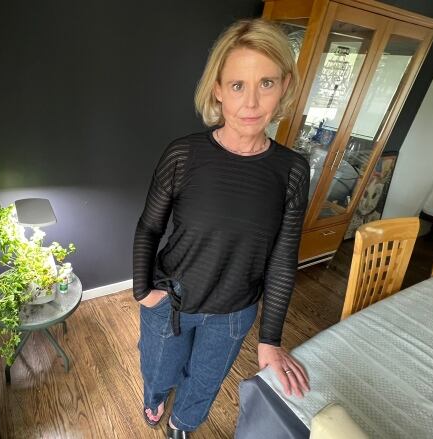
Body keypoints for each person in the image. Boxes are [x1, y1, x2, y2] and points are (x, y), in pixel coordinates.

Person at [132, 18, 311, 438]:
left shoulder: (292, 171)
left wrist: (270, 339)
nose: (251, 102)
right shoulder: (184, 155)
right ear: (216, 88)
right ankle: (156, 395)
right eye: (237, 85)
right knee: (158, 367)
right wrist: (144, 290)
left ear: (284, 85)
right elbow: (149, 226)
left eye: (266, 83)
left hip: (234, 313)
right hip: (172, 300)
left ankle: (184, 423)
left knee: (207, 380)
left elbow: (283, 257)